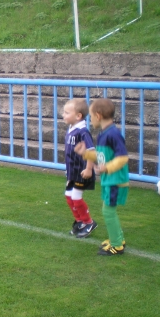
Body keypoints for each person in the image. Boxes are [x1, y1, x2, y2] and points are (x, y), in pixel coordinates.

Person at [75, 98, 129, 256]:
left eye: (91, 116)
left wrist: (107, 167)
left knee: (108, 211)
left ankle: (117, 245)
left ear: (98, 116)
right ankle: (118, 239)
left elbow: (122, 158)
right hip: (109, 180)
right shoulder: (104, 134)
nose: (90, 120)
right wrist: (85, 153)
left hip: (115, 181)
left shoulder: (113, 134)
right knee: (108, 211)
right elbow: (101, 156)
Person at [62, 98, 97, 238]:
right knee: (68, 196)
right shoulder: (72, 129)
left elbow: (91, 151)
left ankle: (89, 222)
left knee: (76, 197)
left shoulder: (83, 132)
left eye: (67, 113)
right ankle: (80, 221)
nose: (63, 115)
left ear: (78, 116)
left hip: (82, 172)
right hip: (73, 173)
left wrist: (88, 169)